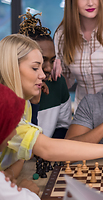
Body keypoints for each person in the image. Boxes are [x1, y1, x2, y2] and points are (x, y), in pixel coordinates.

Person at [0, 34, 103, 182]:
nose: (43, 75)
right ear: (12, 68)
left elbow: (20, 155)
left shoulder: (25, 105)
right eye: (35, 68)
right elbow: (46, 148)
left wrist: (8, 176)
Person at [19, 10, 72, 139]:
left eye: (52, 61)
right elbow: (24, 142)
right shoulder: (8, 91)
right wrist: (33, 104)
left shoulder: (58, 83)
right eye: (41, 62)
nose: (48, 68)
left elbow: (62, 126)